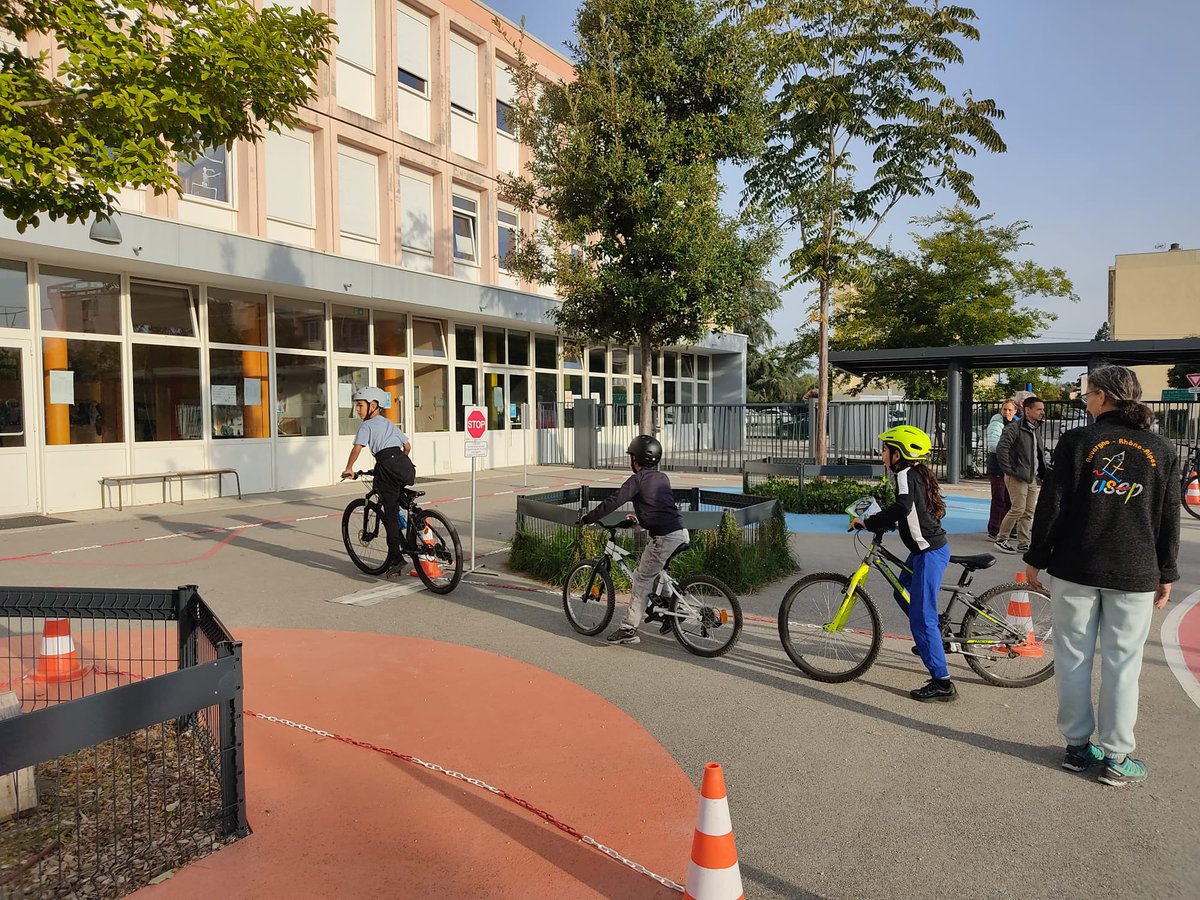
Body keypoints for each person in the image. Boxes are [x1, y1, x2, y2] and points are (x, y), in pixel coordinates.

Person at [1024, 365, 1179, 786]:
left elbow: (1052, 505)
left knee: (1072, 657)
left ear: (1104, 397)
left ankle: (1077, 748)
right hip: (1135, 569)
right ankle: (1117, 756)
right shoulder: (1160, 449)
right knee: (1123, 664)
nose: (1086, 400)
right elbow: (1168, 517)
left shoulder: (1078, 441)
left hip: (1075, 567)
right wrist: (1166, 570)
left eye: (1088, 394)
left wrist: (1036, 556)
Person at [851, 425, 955, 702]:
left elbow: (903, 507)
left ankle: (943, 683)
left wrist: (868, 522)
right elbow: (912, 513)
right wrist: (886, 523)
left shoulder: (905, 474)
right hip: (924, 550)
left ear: (898, 454)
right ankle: (931, 640)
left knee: (922, 619)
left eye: (885, 449)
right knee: (902, 592)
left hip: (928, 553)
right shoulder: (916, 472)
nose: (882, 453)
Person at [577, 435, 688, 645]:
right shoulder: (662, 477)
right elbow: (659, 506)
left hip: (663, 537)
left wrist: (588, 518)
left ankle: (628, 628)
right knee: (655, 571)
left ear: (635, 459)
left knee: (641, 579)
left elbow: (613, 501)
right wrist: (640, 519)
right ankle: (673, 609)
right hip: (679, 532)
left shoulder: (637, 479)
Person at [340, 387, 415, 576]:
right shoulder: (389, 423)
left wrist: (349, 468)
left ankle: (396, 559)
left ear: (373, 406)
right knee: (399, 499)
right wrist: (396, 463)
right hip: (404, 465)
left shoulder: (367, 426)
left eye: (360, 405)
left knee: (389, 514)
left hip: (386, 466)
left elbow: (357, 448)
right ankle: (418, 526)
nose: (357, 410)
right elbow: (407, 446)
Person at [994, 395, 1047, 553]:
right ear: (1027, 410)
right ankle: (1001, 539)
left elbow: (1037, 452)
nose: (1042, 412)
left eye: (1042, 409)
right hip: (1018, 475)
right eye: (1039, 409)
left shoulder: (1035, 428)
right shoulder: (1014, 428)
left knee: (1029, 510)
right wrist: (1009, 470)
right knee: (1018, 508)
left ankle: (1024, 542)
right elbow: (1001, 448)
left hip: (1031, 476)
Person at [985, 399, 1017, 538]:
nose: (1007, 412)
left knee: (1010, 499)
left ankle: (1008, 528)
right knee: (999, 499)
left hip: (1010, 467)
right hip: (997, 467)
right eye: (1005, 409)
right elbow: (994, 445)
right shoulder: (996, 424)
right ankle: (995, 529)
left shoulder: (1015, 424)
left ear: (1015, 411)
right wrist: (1011, 451)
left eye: (1010, 410)